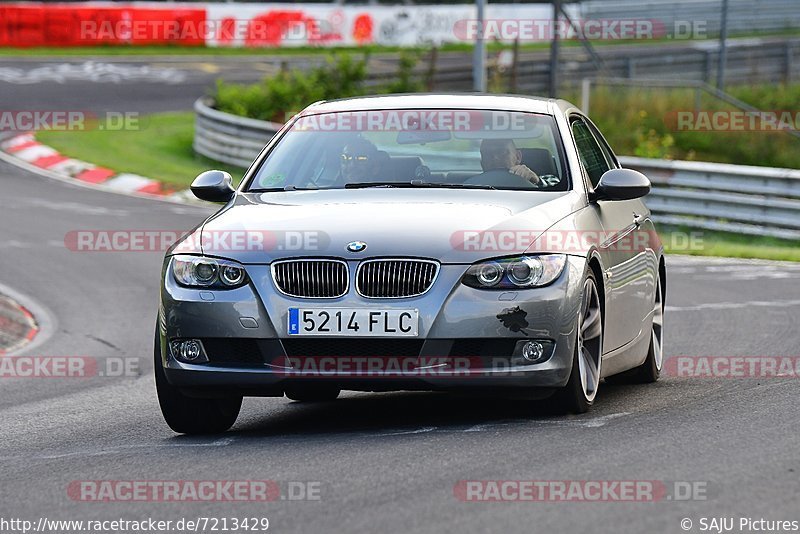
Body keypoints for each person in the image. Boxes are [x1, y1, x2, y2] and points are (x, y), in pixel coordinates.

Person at [465, 139, 541, 188]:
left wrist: (538, 181)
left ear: (518, 157)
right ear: (482, 162)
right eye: (487, 154)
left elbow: (552, 185)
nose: (495, 158)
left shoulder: (537, 180)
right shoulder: (468, 188)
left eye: (502, 152)